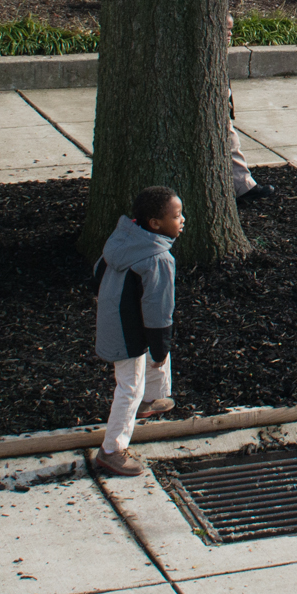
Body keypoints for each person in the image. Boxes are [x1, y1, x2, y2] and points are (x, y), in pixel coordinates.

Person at [92, 186, 182, 478]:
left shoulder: (126, 236)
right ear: (155, 224)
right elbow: (158, 311)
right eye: (176, 216)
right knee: (129, 387)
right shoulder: (159, 259)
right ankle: (111, 451)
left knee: (156, 352)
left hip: (112, 314)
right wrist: (159, 348)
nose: (182, 220)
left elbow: (97, 272)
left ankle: (152, 399)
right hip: (128, 330)